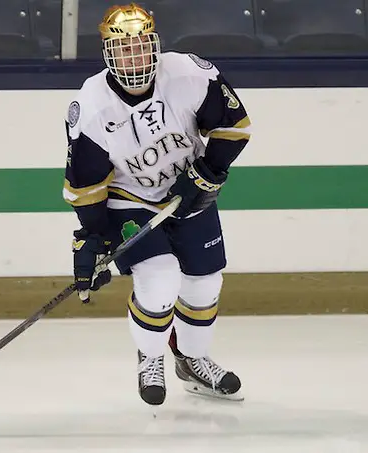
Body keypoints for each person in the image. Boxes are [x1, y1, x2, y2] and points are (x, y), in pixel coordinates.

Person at [63, 3, 250, 406]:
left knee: (205, 284)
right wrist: (93, 237)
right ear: (109, 54)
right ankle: (150, 356)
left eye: (142, 47)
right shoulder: (92, 107)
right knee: (161, 279)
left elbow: (234, 127)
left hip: (191, 189)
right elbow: (87, 185)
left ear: (155, 46)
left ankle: (192, 361)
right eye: (124, 50)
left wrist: (206, 172)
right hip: (129, 200)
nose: (135, 58)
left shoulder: (188, 74)